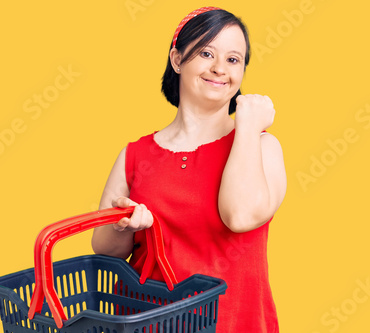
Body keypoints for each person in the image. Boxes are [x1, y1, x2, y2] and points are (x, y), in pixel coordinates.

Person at [91, 7, 286, 332]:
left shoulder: (261, 146)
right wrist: (124, 225)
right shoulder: (135, 155)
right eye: (206, 52)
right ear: (178, 59)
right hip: (149, 323)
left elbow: (239, 217)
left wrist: (248, 126)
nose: (219, 69)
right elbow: (105, 251)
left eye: (233, 60)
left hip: (235, 323)